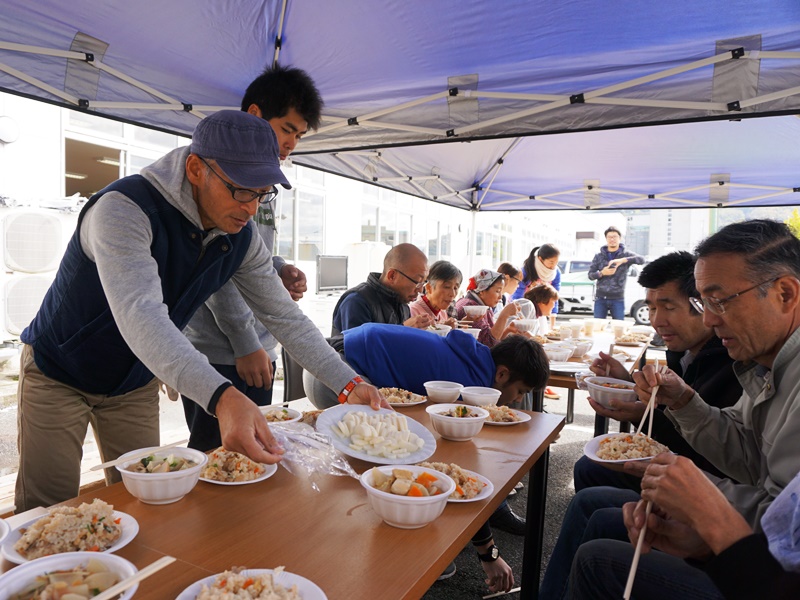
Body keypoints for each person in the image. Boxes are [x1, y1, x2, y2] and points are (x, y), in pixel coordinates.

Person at [15, 110, 386, 511]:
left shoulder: (241, 237)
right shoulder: (123, 209)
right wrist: (224, 398)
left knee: (148, 498)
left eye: (262, 193)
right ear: (195, 168)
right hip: (60, 371)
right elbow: (142, 314)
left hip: (134, 381)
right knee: (47, 511)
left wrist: (349, 384)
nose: (251, 208)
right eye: (241, 190)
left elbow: (285, 317)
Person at [539, 219, 800, 599]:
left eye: (720, 300)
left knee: (600, 560)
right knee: (594, 504)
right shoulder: (767, 365)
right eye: (704, 303)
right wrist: (682, 401)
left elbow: (783, 537)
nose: (710, 319)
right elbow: (747, 450)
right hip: (753, 554)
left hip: (766, 573)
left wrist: (703, 509)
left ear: (785, 294)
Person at [181, 64, 322, 451]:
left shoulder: (262, 183)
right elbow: (214, 266)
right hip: (221, 348)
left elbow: (248, 257)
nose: (292, 142)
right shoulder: (212, 172)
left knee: (254, 454)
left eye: (300, 135)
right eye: (287, 129)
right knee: (218, 458)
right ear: (256, 116)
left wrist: (278, 268)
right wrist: (244, 342)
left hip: (258, 343)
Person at [574, 251, 742, 492]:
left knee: (592, 489)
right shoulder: (684, 354)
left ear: (702, 304)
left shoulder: (731, 364)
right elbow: (667, 409)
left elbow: (706, 451)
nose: (656, 320)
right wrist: (629, 385)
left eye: (669, 307)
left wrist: (636, 413)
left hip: (707, 489)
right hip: (684, 468)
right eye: (651, 308)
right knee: (589, 467)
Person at [567, 454, 800, 599]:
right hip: (756, 562)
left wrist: (714, 522)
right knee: (597, 509)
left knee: (595, 560)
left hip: (753, 579)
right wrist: (704, 549)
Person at [331, 243, 433, 336]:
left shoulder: (403, 305)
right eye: (417, 282)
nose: (420, 290)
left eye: (423, 283)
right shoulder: (356, 302)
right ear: (392, 276)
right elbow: (357, 351)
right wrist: (402, 330)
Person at [588, 227, 644, 320]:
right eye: (609, 237)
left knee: (619, 327)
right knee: (598, 326)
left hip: (618, 298)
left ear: (620, 238)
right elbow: (590, 275)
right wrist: (601, 273)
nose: (612, 239)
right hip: (600, 298)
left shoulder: (625, 255)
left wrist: (623, 260)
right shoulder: (599, 256)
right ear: (606, 239)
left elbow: (642, 259)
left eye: (615, 237)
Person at [455, 269, 520, 347]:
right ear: (482, 291)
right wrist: (504, 315)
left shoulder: (481, 305)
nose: (500, 297)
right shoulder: (472, 308)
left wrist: (508, 330)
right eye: (497, 291)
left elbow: (494, 340)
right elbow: (488, 344)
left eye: (501, 292)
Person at [408, 260, 461, 328]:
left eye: (455, 288)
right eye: (447, 287)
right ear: (429, 288)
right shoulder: (412, 312)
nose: (453, 294)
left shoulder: (442, 312)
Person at [511, 244, 562, 309]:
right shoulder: (527, 270)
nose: (554, 266)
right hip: (523, 306)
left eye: (556, 262)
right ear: (540, 259)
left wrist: (553, 314)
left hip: (542, 308)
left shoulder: (556, 272)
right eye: (551, 262)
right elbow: (517, 295)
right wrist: (518, 310)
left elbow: (554, 296)